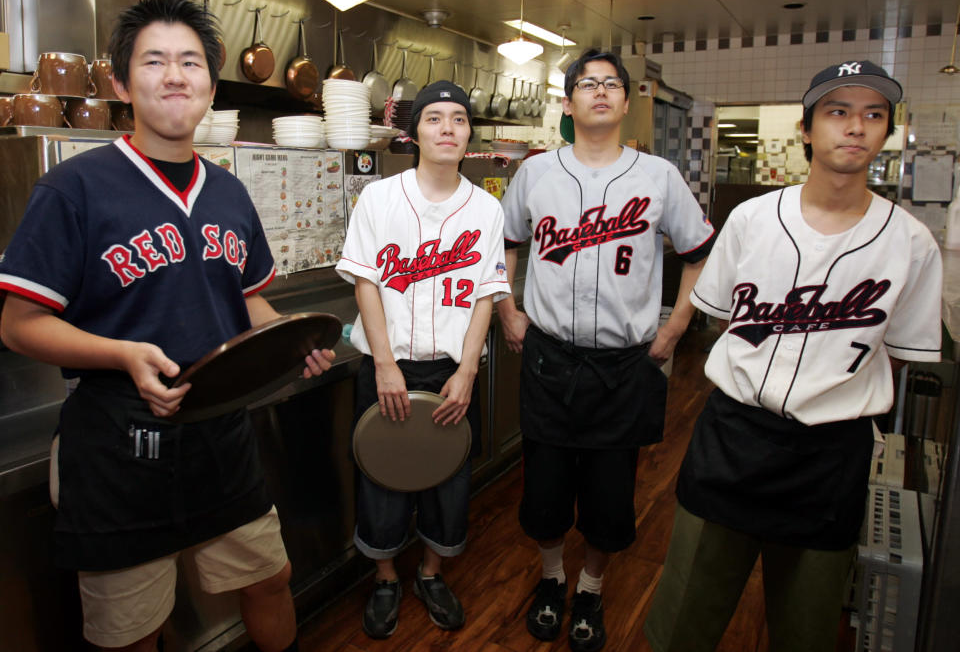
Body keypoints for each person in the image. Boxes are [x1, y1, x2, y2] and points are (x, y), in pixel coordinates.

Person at [0, 0, 334, 652]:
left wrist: (288, 338)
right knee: (132, 631)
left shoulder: (230, 191)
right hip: (117, 445)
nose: (175, 75)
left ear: (211, 84)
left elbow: (247, 300)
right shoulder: (75, 187)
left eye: (190, 62)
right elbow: (18, 323)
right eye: (154, 61)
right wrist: (124, 353)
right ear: (123, 83)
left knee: (272, 578)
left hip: (221, 436)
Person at [643, 60, 942, 652]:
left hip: (831, 455)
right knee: (684, 619)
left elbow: (901, 353)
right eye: (837, 112)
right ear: (806, 130)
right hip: (734, 437)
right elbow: (726, 319)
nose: (855, 127)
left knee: (805, 627)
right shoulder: (752, 220)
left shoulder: (911, 242)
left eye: (872, 115)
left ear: (886, 132)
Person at [497, 49, 716, 652]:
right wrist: (508, 309)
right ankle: (551, 577)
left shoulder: (658, 177)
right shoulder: (537, 174)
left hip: (624, 364)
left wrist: (672, 331)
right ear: (567, 103)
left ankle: (590, 586)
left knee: (609, 495)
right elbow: (505, 244)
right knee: (542, 492)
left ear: (625, 100)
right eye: (586, 84)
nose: (599, 92)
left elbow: (700, 254)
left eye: (611, 84)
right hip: (548, 358)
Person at [335, 80, 510, 639]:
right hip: (389, 368)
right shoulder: (381, 198)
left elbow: (486, 291)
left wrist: (468, 371)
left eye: (458, 119)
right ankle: (386, 577)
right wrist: (384, 364)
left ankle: (431, 573)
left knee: (449, 484)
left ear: (468, 135)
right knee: (381, 481)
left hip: (449, 372)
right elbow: (365, 282)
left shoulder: (485, 207)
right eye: (435, 118)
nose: (447, 129)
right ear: (415, 133)